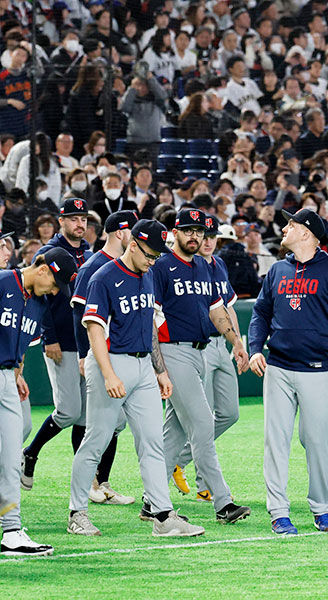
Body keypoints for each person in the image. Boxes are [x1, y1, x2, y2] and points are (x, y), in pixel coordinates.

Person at [68, 219, 203, 537]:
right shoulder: (104, 277)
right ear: (132, 245)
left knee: (153, 442)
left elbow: (152, 326)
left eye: (157, 255)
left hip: (143, 365)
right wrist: (108, 373)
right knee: (97, 440)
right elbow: (94, 328)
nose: (153, 260)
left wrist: (159, 371)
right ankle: (77, 512)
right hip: (112, 363)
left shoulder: (148, 276)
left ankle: (162, 516)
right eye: (149, 254)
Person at [247, 208, 328, 535]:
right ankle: (278, 511)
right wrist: (255, 348)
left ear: (307, 234)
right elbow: (260, 313)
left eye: (291, 225)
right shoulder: (278, 270)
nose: (285, 228)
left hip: (318, 369)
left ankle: (323, 509)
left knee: (317, 442)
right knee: (276, 442)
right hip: (279, 367)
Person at [0, 246, 78, 555]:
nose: (55, 290)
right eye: (55, 283)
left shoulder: (39, 302)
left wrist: (17, 373)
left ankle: (11, 532)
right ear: (43, 269)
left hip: (6, 377)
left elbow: (23, 342)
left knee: (13, 456)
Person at [23, 197, 131, 503]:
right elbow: (38, 297)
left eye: (83, 218)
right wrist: (49, 337)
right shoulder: (50, 253)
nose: (79, 223)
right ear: (61, 221)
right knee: (70, 411)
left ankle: (99, 483)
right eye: (73, 218)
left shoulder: (90, 253)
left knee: (93, 415)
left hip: (89, 341)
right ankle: (30, 454)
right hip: (62, 342)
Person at [153, 209, 252, 526]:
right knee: (202, 425)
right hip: (173, 350)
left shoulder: (203, 266)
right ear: (174, 232)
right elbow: (151, 319)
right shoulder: (161, 266)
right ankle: (223, 503)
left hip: (201, 351)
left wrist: (235, 341)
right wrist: (158, 367)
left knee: (176, 431)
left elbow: (217, 311)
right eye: (188, 230)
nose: (194, 236)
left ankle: (150, 500)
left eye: (199, 231)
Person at [173, 215, 245, 500]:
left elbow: (226, 308)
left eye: (213, 235)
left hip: (220, 344)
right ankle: (205, 484)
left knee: (229, 413)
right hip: (197, 344)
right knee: (204, 416)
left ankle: (180, 459)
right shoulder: (189, 265)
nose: (209, 240)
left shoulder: (219, 264)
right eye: (205, 235)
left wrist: (238, 344)